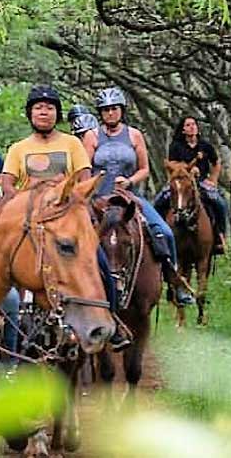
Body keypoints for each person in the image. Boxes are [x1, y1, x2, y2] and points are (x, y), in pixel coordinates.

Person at [1, 85, 130, 351]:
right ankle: (1, 337)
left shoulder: (71, 144)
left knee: (100, 261)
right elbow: (7, 185)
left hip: (66, 218)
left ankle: (111, 317)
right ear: (30, 114)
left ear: (56, 114)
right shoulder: (18, 148)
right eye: (38, 108)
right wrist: (25, 201)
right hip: (30, 222)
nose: (43, 112)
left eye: (49, 108)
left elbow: (85, 179)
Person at [82, 87, 194, 306]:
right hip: (99, 198)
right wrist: (93, 186)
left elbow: (145, 169)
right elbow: (85, 168)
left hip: (129, 196)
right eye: (105, 110)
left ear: (121, 110)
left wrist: (130, 181)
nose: (110, 113)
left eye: (114, 109)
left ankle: (174, 282)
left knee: (164, 232)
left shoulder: (134, 135)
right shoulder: (92, 136)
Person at [154, 116, 228, 254]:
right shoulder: (176, 146)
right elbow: (172, 165)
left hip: (201, 182)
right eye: (188, 125)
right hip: (180, 182)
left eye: (194, 124)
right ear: (183, 129)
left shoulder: (205, 146)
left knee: (220, 203)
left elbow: (216, 163)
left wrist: (213, 180)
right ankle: (158, 236)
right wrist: (187, 170)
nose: (192, 127)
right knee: (159, 202)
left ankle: (220, 236)